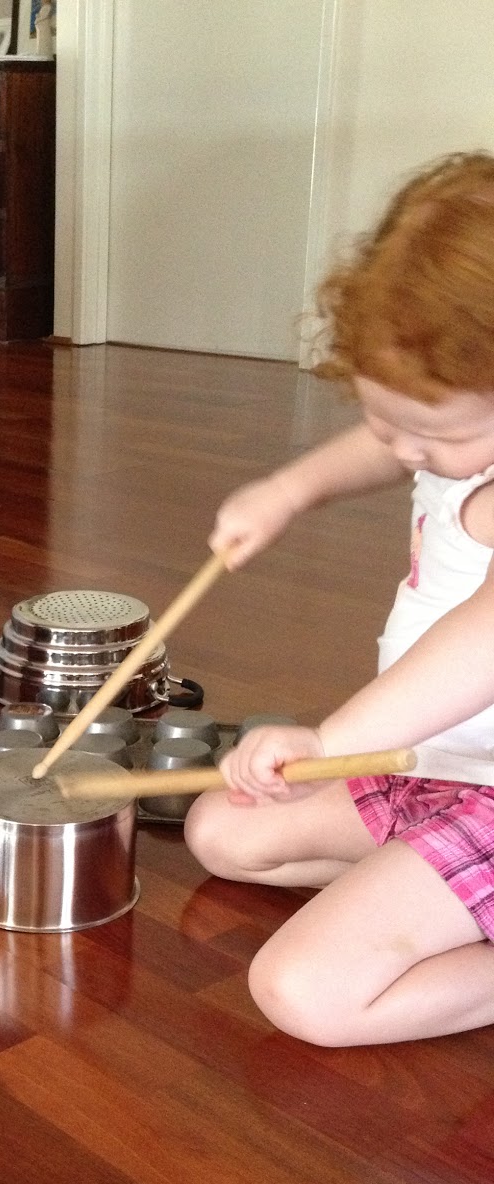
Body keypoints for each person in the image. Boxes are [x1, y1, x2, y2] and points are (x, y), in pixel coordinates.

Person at [184, 150, 494, 1047]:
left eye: (427, 431)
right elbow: (387, 441)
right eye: (383, 418)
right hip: (427, 767)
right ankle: (430, 890)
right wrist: (289, 492)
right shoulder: (446, 429)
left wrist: (329, 744)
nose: (399, 449)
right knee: (221, 832)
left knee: (304, 990)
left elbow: (478, 647)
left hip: (486, 794)